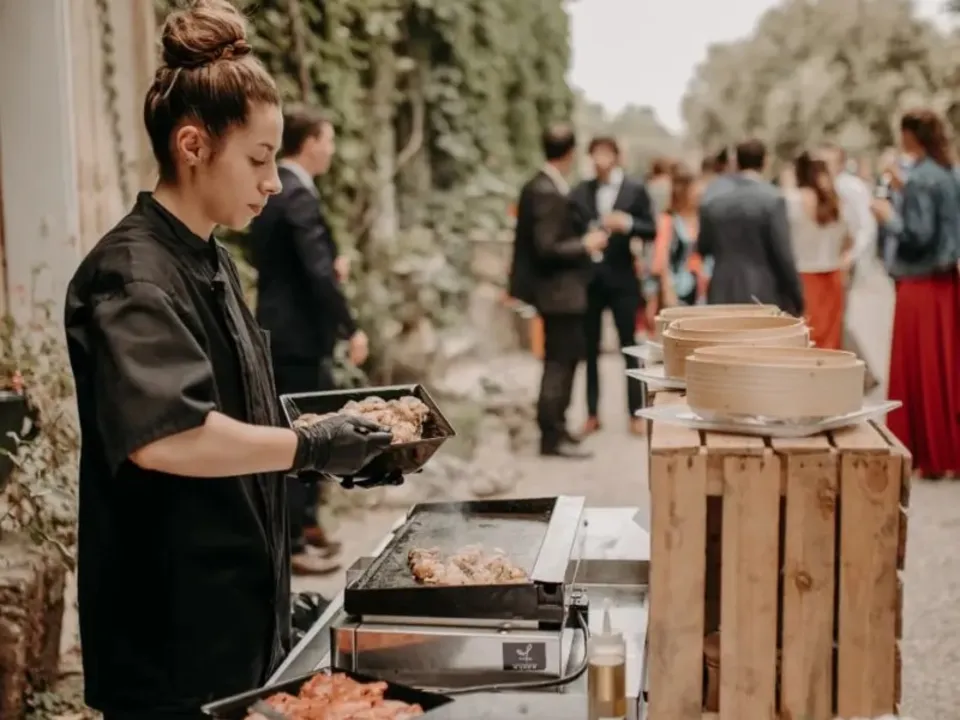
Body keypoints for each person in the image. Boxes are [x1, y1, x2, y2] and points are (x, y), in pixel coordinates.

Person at [62, 2, 399, 717]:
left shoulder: (210, 259)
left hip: (236, 617)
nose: (272, 181)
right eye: (257, 157)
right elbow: (170, 436)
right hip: (171, 636)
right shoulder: (132, 276)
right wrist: (311, 447)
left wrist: (344, 443)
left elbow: (240, 412)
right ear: (192, 145)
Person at [249, 105, 364, 575]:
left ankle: (308, 526)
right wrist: (350, 326)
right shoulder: (295, 193)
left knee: (306, 424)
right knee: (303, 431)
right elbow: (316, 272)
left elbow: (280, 259)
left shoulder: (281, 192)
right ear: (311, 142)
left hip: (283, 326)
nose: (333, 149)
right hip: (296, 335)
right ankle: (294, 542)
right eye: (329, 138)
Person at [509, 124, 607, 458]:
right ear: (570, 152)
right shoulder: (547, 190)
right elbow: (547, 246)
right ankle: (552, 435)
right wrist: (585, 243)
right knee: (559, 363)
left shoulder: (540, 185)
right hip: (558, 293)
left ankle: (558, 427)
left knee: (564, 360)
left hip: (558, 292)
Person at [872, 108, 960, 479]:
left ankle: (930, 454)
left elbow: (918, 235)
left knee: (921, 369)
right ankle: (946, 450)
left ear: (911, 135)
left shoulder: (923, 177)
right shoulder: (944, 173)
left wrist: (887, 216)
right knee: (944, 369)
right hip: (943, 283)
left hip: (921, 284)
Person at [569, 137, 656, 437]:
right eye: (595, 153)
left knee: (629, 347)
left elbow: (652, 228)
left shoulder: (635, 188)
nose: (600, 159)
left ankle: (636, 413)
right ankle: (592, 413)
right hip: (591, 281)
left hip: (623, 280)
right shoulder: (581, 190)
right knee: (589, 349)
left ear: (616, 157)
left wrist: (628, 224)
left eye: (605, 153)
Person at [697, 139, 804, 316]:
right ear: (765, 162)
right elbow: (782, 253)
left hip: (721, 290)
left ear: (736, 162)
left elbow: (703, 247)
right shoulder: (773, 199)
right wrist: (796, 297)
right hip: (763, 292)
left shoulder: (713, 199)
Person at [818, 143, 880, 385]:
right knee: (835, 318)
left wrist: (851, 257)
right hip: (831, 261)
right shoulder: (825, 187)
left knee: (837, 318)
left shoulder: (850, 188)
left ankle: (858, 373)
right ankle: (860, 374)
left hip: (844, 261)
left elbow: (865, 226)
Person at [784, 152, 851, 350]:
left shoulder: (792, 200)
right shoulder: (836, 203)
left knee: (806, 337)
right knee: (830, 339)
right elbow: (848, 239)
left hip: (804, 277)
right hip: (832, 275)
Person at [649, 163, 707, 310]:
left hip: (703, 292)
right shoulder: (668, 221)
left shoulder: (704, 219)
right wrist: (668, 291)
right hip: (678, 290)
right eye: (695, 190)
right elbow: (662, 261)